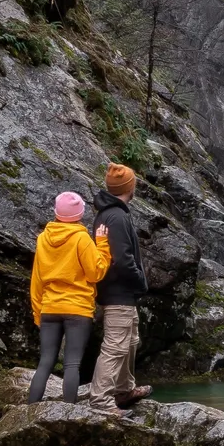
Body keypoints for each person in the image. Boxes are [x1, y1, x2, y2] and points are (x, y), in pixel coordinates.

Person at [29, 192, 111, 403]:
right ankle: (69, 412)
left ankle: (29, 410)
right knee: (72, 364)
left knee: (45, 362)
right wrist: (102, 244)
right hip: (77, 308)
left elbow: (36, 280)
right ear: (80, 214)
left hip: (49, 307)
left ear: (57, 213)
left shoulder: (42, 239)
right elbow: (95, 272)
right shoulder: (81, 238)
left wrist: (38, 313)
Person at [89, 163, 152, 412]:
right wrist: (140, 280)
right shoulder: (115, 216)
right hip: (119, 292)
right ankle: (101, 399)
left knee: (131, 341)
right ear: (130, 187)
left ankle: (124, 389)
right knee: (116, 345)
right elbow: (122, 259)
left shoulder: (113, 213)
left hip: (122, 293)